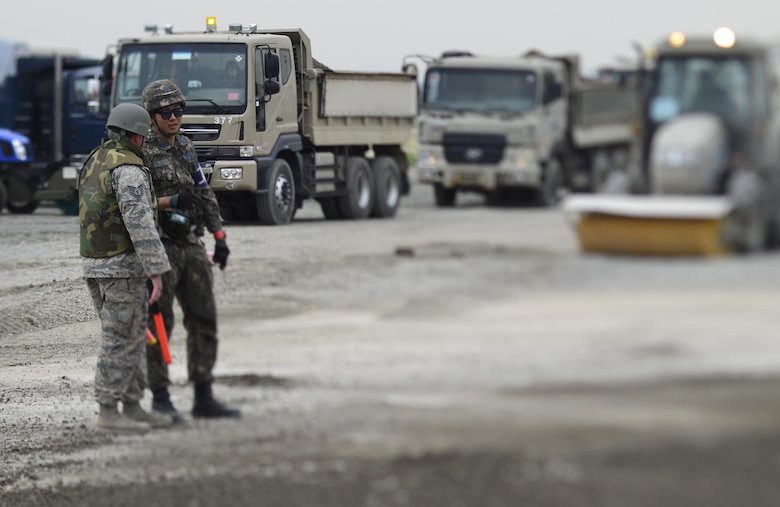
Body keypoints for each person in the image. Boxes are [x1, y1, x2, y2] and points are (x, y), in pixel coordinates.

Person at [141, 79, 240, 421]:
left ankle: (203, 395)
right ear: (151, 115)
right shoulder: (141, 152)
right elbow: (133, 203)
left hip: (191, 244)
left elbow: (204, 193)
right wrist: (169, 202)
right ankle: (160, 397)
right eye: (166, 112)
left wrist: (220, 235)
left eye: (178, 110)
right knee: (159, 325)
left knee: (204, 317)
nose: (174, 117)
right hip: (161, 247)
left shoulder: (186, 146)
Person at [79, 103, 174, 433]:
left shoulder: (95, 159)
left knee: (132, 335)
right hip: (122, 267)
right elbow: (140, 223)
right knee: (120, 338)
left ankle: (132, 405)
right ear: (135, 135)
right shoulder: (129, 169)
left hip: (96, 263)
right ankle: (109, 409)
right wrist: (157, 269)